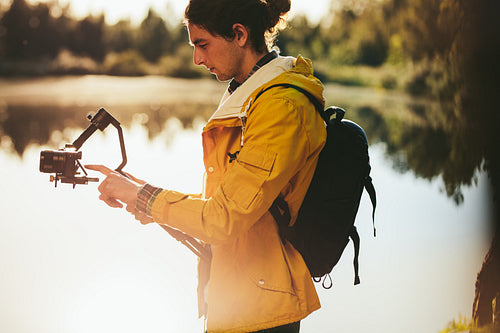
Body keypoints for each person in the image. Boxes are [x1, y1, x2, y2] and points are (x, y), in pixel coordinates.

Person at [86, 0, 326, 331]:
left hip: (262, 315)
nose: (197, 59)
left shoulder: (281, 108)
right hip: (233, 301)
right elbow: (227, 206)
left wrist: (144, 197)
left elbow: (221, 220)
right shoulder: (248, 94)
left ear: (239, 34)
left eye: (202, 44)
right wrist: (142, 195)